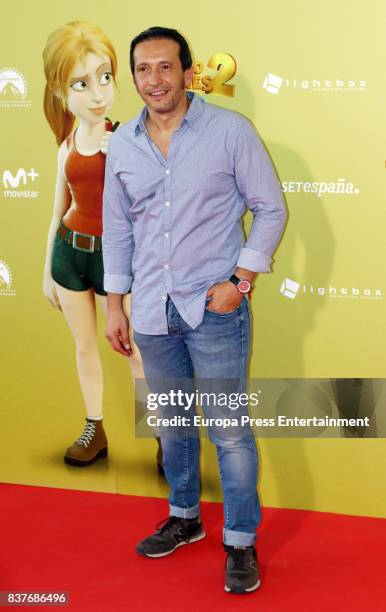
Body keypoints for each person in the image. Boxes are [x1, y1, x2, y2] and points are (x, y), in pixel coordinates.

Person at [103, 26, 287, 594]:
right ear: (133, 77)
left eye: (164, 67)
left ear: (186, 72)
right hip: (152, 311)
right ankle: (184, 518)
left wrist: (241, 279)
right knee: (174, 426)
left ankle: (240, 542)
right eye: (142, 69)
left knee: (229, 432)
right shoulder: (124, 145)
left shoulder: (230, 132)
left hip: (215, 310)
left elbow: (271, 209)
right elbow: (117, 229)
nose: (153, 79)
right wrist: (116, 304)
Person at [42, 21, 163, 471]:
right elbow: (58, 211)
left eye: (105, 77)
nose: (97, 94)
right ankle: (95, 428)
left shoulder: (131, 140)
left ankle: (161, 435)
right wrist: (45, 272)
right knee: (85, 347)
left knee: (136, 351)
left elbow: (153, 208)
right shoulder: (68, 144)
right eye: (81, 83)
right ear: (60, 92)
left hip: (118, 262)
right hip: (69, 255)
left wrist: (125, 159)